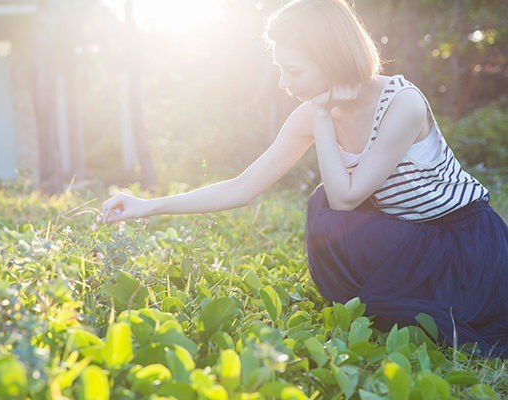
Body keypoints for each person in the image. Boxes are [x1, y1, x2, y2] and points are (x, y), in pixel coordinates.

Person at [102, 0, 508, 358]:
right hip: (410, 238)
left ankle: (421, 306)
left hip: (462, 244)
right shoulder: (311, 113)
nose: (283, 82)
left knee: (331, 204)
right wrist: (148, 206)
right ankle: (388, 308)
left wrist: (320, 118)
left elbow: (346, 198)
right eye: (280, 69)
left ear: (330, 59)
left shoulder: (402, 104)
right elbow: (242, 187)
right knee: (322, 208)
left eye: (292, 70)